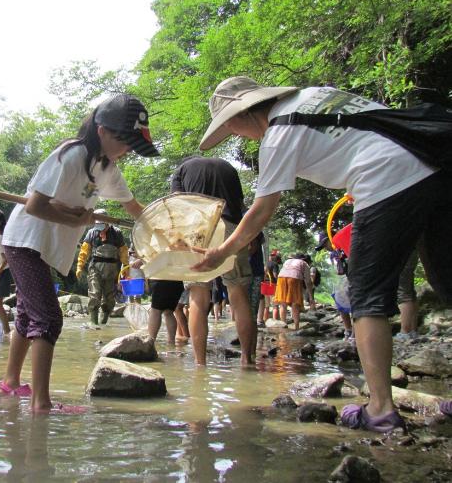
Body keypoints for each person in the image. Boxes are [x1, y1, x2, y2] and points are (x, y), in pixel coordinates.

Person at [193, 76, 451, 432]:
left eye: (231, 125)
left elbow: (261, 212)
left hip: (385, 181)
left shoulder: (278, 134)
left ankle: (379, 409)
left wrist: (220, 251)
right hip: (437, 167)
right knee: (447, 283)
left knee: (366, 297)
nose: (235, 134)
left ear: (243, 114)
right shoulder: (320, 95)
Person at [0, 93, 159, 413]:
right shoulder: (72, 156)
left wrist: (168, 230)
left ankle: (11, 382)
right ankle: (40, 404)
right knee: (48, 318)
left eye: (131, 144)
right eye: (123, 140)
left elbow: (134, 208)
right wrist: (76, 218)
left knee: (28, 315)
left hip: (41, 246)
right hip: (24, 240)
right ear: (101, 130)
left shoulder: (107, 167)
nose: (126, 150)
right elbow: (34, 205)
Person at [171, 156, 256, 366]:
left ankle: (200, 364)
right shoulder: (228, 168)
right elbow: (240, 206)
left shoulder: (181, 170)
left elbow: (176, 206)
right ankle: (247, 360)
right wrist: (252, 236)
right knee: (238, 292)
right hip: (231, 228)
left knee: (198, 296)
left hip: (197, 228)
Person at [75, 211, 129, 326]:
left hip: (112, 269)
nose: (99, 225)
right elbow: (84, 251)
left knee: (109, 298)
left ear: (107, 222)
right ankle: (93, 323)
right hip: (95, 268)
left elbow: (123, 251)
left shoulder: (117, 233)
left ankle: (104, 321)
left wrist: (126, 267)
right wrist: (79, 266)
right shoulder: (91, 233)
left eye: (102, 223)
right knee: (95, 294)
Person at [274, 254, 314, 330]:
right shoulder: (304, 264)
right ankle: (296, 327)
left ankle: (283, 324)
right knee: (295, 303)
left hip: (281, 278)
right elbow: (308, 282)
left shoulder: (287, 261)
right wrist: (311, 297)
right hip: (294, 278)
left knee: (283, 302)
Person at [147, 280, 185, 345]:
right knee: (169, 312)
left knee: (155, 311)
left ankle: (150, 342)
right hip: (177, 283)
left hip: (161, 281)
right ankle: (171, 342)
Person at [395, 249, 419, 341]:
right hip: (411, 253)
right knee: (410, 292)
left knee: (403, 294)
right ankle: (413, 330)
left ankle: (405, 331)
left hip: (401, 255)